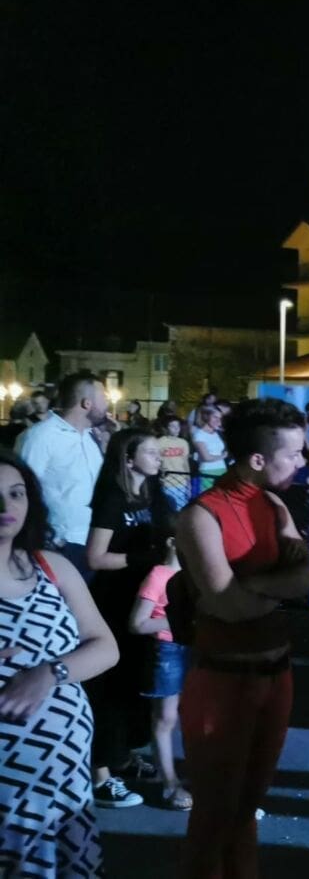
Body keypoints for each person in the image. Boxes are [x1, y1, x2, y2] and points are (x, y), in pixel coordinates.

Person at [174, 398, 309, 878]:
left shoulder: (273, 504)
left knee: (246, 807)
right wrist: (275, 590)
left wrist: (250, 585)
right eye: (292, 454)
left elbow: (303, 580)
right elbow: (225, 605)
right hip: (222, 683)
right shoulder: (200, 515)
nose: (301, 462)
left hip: (276, 674)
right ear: (257, 459)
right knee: (215, 816)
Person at [0, 450, 119, 877]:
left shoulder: (52, 567)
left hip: (65, 779)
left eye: (16, 493)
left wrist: (47, 674)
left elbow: (105, 647)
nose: (6, 506)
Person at [86, 427, 172, 807]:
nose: (158, 457)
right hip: (113, 600)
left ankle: (121, 755)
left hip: (145, 599)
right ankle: (99, 774)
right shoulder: (112, 498)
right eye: (150, 452)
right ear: (129, 458)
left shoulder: (155, 495)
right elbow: (95, 557)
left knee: (135, 686)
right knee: (108, 687)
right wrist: (143, 558)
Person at [14, 372, 107, 582]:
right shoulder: (40, 437)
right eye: (104, 398)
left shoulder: (90, 438)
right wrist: (50, 538)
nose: (107, 404)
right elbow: (22, 490)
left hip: (90, 542)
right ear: (87, 403)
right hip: (60, 544)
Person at [128, 525, 192, 810]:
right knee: (165, 717)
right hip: (168, 649)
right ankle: (169, 783)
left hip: (194, 646)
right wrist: (178, 618)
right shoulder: (158, 575)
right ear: (172, 540)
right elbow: (137, 623)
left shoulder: (194, 572)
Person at [157, 415, 192, 511]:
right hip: (167, 481)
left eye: (178, 426)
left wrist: (189, 483)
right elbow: (156, 461)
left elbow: (185, 463)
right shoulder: (160, 442)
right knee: (170, 508)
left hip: (182, 481)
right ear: (167, 428)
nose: (176, 429)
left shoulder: (183, 443)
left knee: (182, 508)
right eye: (172, 426)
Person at [191, 405, 228, 491]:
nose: (218, 420)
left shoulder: (217, 433)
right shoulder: (199, 435)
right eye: (215, 417)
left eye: (220, 418)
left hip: (222, 469)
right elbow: (206, 457)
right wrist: (223, 456)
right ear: (207, 416)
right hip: (208, 471)